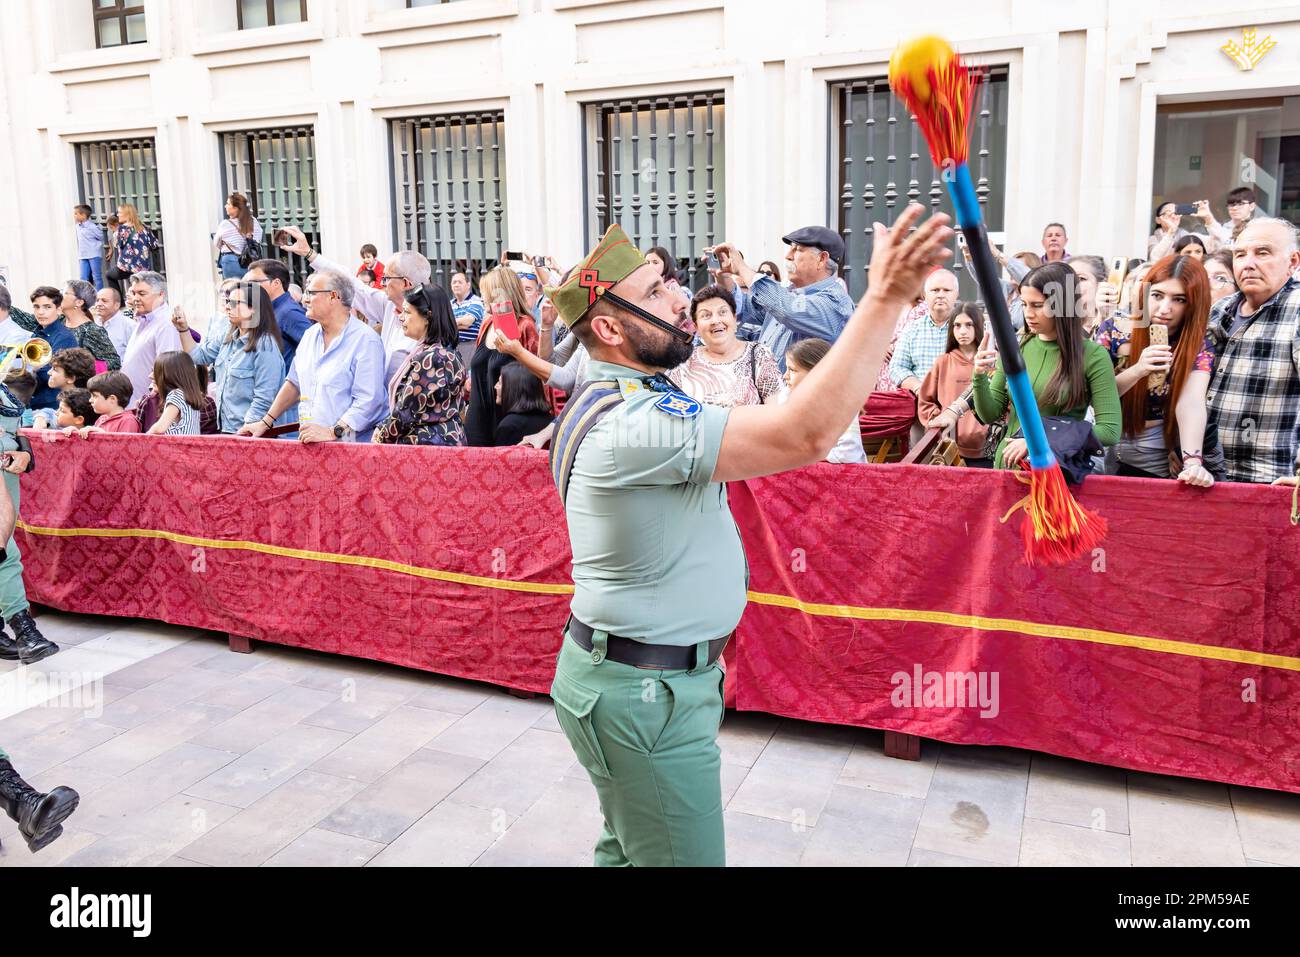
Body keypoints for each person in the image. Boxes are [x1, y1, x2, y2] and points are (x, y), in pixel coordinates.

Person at [542, 207, 951, 867]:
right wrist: (882, 300)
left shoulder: (619, 399)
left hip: (642, 682)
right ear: (612, 328)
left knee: (628, 851)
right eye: (654, 291)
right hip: (646, 698)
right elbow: (804, 434)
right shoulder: (637, 423)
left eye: (669, 281)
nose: (680, 296)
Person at [972, 262, 1122, 469]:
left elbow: (1110, 431)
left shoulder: (1093, 355)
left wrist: (1039, 440)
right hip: (1006, 468)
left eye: (1037, 305)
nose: (1028, 314)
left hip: (1056, 476)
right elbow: (990, 414)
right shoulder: (1016, 344)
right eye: (1024, 304)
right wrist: (979, 375)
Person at [1098, 254, 1222, 484]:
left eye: (1179, 300)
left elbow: (1192, 402)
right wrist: (1138, 370)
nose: (1165, 308)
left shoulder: (1199, 345)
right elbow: (1094, 395)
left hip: (1156, 449)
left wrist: (1192, 462)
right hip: (1103, 440)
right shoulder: (1114, 328)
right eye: (1157, 295)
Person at [238, 269, 387, 443]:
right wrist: (265, 422)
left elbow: (369, 401)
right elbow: (294, 382)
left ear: (333, 296)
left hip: (350, 450)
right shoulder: (310, 335)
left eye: (311, 293)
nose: (304, 299)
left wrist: (333, 432)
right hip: (311, 445)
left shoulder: (365, 340)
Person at [1206, 218, 1300, 483]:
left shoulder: (1297, 308)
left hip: (1268, 482)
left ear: (1293, 262)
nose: (1248, 263)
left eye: (1263, 253)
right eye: (1240, 254)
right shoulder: (1219, 309)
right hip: (1205, 477)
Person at [278, 226, 426, 375]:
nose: (381, 283)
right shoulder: (388, 305)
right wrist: (309, 254)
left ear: (406, 283)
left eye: (386, 278)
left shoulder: (429, 323)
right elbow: (351, 283)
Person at [709, 225, 855, 371]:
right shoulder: (787, 294)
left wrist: (742, 268)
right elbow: (744, 309)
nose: (788, 255)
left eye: (797, 249)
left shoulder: (836, 302)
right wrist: (725, 278)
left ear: (821, 259)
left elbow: (789, 310)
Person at [0, 335, 58, 666]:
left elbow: (17, 429)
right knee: (5, 553)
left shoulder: (6, 377)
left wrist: (24, 455)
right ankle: (25, 632)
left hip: (7, 478)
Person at [172, 282, 285, 434]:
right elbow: (198, 356)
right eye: (227, 302)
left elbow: (265, 396)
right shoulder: (228, 336)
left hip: (251, 433)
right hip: (228, 428)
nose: (227, 307)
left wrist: (247, 429)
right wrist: (183, 329)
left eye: (234, 303)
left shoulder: (265, 345)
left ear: (253, 308)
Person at [372, 283, 467, 446]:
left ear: (428, 317)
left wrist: (380, 437)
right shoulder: (440, 351)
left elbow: (406, 412)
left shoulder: (433, 358)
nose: (401, 317)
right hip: (437, 447)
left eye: (407, 312)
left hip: (429, 452)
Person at [669, 285, 783, 407]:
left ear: (734, 318)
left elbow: (776, 412)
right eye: (706, 315)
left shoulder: (759, 355)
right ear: (696, 326)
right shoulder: (684, 360)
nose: (715, 321)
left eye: (722, 312)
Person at [465, 266, 540, 447]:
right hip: (476, 420)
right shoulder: (487, 323)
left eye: (486, 292)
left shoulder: (524, 325)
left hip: (507, 422)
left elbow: (536, 373)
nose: (482, 296)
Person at [918, 302, 992, 467]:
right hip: (952, 449)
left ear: (979, 327)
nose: (962, 331)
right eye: (957, 326)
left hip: (988, 449)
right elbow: (925, 401)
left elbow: (1005, 401)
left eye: (969, 325)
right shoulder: (943, 362)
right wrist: (938, 420)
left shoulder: (991, 361)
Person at [782, 338, 866, 463]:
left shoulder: (841, 404)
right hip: (806, 469)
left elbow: (848, 453)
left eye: (792, 370)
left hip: (840, 474)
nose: (785, 376)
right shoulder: (786, 396)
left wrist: (800, 455)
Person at [119, 271, 182, 408]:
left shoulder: (167, 324)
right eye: (133, 293)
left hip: (152, 409)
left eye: (142, 294)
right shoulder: (143, 319)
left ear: (161, 295)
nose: (135, 298)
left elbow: (166, 372)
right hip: (135, 405)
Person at [889, 268, 959, 393]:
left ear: (956, 294)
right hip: (920, 403)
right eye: (935, 290)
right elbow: (896, 367)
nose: (940, 295)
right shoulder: (912, 329)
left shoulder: (968, 328)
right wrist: (918, 387)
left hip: (960, 403)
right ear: (925, 295)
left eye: (947, 290)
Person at [244, 258, 310, 375]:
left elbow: (314, 347)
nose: (249, 288)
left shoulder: (289, 312)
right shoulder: (267, 309)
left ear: (276, 283)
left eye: (253, 283)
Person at [22, 286, 79, 411]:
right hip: (34, 404)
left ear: (59, 310)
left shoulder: (64, 337)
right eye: (36, 307)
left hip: (54, 406)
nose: (40, 312)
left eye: (47, 307)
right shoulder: (36, 334)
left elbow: (54, 376)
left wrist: (32, 369)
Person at [492, 362, 555, 446]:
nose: (495, 386)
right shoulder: (552, 422)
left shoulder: (508, 427)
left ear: (513, 388)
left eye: (500, 383)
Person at [142, 352, 204, 436]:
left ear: (170, 376)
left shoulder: (176, 394)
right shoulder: (188, 395)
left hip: (178, 448)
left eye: (156, 372)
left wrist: (143, 438)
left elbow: (160, 428)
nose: (150, 376)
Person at [214, 193, 263, 280]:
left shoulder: (225, 224)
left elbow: (216, 243)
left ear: (236, 208)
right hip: (250, 260)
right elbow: (258, 239)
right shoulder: (253, 221)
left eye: (228, 204)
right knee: (250, 290)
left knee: (234, 290)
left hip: (230, 261)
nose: (225, 206)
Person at [1069, 256, 1118, 340]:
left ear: (1102, 284)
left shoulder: (1118, 326)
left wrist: (1101, 317)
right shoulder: (1055, 326)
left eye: (1081, 278)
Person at [112, 204, 159, 278]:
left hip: (126, 267)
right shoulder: (144, 227)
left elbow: (116, 244)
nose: (117, 215)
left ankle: (115, 290)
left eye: (119, 212)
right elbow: (155, 245)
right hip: (143, 268)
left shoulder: (121, 229)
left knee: (109, 275)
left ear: (127, 214)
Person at [450, 270, 485, 367]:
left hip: (470, 346)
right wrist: (459, 322)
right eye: (454, 282)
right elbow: (444, 324)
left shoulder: (476, 301)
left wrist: (450, 323)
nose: (456, 285)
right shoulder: (449, 304)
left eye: (460, 282)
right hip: (452, 347)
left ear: (468, 285)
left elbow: (467, 323)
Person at [92, 285, 134, 357]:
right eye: (97, 300)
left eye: (104, 301)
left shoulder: (129, 326)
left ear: (116, 305)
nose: (99, 304)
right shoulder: (94, 324)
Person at [74, 204, 105, 291]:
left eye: (76, 213)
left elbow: (102, 237)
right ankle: (86, 297)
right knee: (83, 278)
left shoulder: (92, 227)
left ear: (83, 215)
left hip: (94, 254)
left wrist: (97, 245)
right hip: (83, 255)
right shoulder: (77, 227)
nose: (74, 216)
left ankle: (100, 297)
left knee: (97, 277)